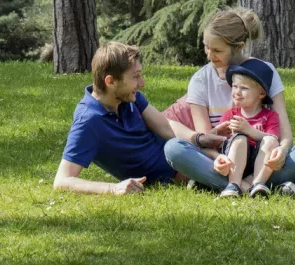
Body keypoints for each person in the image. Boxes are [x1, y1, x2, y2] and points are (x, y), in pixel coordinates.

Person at [162, 7, 295, 198]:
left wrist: (282, 151)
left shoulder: (265, 71)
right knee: (173, 149)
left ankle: (232, 186)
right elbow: (207, 140)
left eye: (217, 50)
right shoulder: (200, 80)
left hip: (263, 157)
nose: (209, 55)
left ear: (238, 47)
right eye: (206, 47)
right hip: (226, 161)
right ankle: (258, 188)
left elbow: (285, 134)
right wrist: (218, 158)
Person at [53, 41, 223, 195]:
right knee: (178, 147)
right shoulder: (89, 121)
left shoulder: (129, 98)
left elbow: (166, 127)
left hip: (185, 150)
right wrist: (114, 188)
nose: (142, 83)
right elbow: (62, 180)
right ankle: (239, 183)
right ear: (110, 81)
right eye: (135, 77)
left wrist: (199, 138)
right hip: (179, 169)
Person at [214, 59, 281, 198]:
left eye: (243, 88)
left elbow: (274, 140)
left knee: (270, 141)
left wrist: (249, 130)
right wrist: (220, 135)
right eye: (234, 86)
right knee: (239, 138)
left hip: (259, 165)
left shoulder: (270, 116)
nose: (237, 92)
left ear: (261, 94)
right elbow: (219, 142)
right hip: (234, 164)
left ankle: (258, 185)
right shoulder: (231, 115)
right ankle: (234, 185)